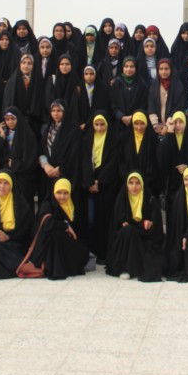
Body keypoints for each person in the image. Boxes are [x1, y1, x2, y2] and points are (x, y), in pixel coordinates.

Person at [22, 179, 91, 280]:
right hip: (48, 246)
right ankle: (56, 269)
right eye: (58, 193)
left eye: (65, 193)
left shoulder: (72, 206)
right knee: (56, 235)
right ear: (53, 192)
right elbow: (47, 224)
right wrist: (65, 226)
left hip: (67, 245)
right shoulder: (47, 205)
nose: (62, 197)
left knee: (83, 252)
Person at [105, 172, 164, 281]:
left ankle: (134, 268)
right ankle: (125, 268)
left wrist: (150, 224)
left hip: (145, 239)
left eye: (137, 183)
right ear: (127, 184)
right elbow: (117, 226)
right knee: (128, 231)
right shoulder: (122, 199)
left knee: (131, 230)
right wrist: (140, 225)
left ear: (142, 184)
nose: (134, 186)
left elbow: (156, 228)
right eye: (131, 183)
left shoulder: (150, 200)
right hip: (126, 241)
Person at [80, 111, 120, 262]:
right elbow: (84, 161)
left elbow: (112, 162)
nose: (99, 128)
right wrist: (90, 181)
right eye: (96, 124)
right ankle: (92, 251)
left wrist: (99, 181)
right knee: (91, 219)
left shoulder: (113, 140)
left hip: (106, 185)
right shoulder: (87, 139)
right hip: (89, 185)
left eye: (102, 124)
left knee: (105, 220)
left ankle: (104, 253)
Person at [156, 111, 188, 211]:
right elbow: (162, 158)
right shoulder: (169, 138)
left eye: (181, 122)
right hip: (172, 186)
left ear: (186, 123)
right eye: (175, 122)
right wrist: (169, 132)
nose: (177, 125)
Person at [38, 100, 82, 207]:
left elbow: (75, 154)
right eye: (53, 111)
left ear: (64, 111)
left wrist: (61, 168)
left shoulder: (73, 129)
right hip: (48, 174)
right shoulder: (48, 128)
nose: (56, 113)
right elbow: (42, 150)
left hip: (66, 174)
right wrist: (45, 165)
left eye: (59, 111)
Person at [117, 112, 160, 205]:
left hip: (149, 186)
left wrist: (143, 181)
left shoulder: (153, 141)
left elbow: (156, 164)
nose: (139, 127)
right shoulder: (125, 139)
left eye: (142, 123)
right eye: (136, 124)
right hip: (129, 185)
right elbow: (121, 161)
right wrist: (129, 179)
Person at [148, 59, 187, 137]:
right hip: (157, 126)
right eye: (161, 69)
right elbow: (151, 105)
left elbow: (178, 106)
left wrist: (168, 125)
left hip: (173, 125)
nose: (163, 72)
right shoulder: (154, 85)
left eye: (166, 69)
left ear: (171, 69)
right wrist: (156, 124)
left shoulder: (177, 85)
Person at [109, 57, 149, 129]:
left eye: (132, 66)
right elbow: (113, 103)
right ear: (122, 67)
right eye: (126, 66)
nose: (129, 69)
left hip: (137, 123)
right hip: (119, 124)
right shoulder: (117, 83)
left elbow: (144, 104)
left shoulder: (142, 84)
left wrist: (133, 117)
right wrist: (121, 116)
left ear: (136, 68)